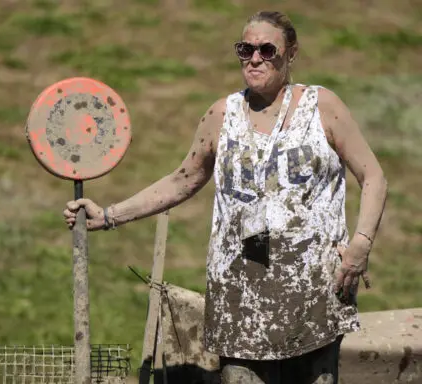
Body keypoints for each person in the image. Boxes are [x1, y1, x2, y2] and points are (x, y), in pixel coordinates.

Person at [63, 11, 388, 384]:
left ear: (291, 53)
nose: (254, 58)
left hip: (312, 291)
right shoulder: (223, 114)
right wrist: (108, 215)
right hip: (241, 292)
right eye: (245, 49)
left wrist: (361, 245)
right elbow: (181, 180)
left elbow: (374, 176)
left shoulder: (322, 106)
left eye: (267, 50)